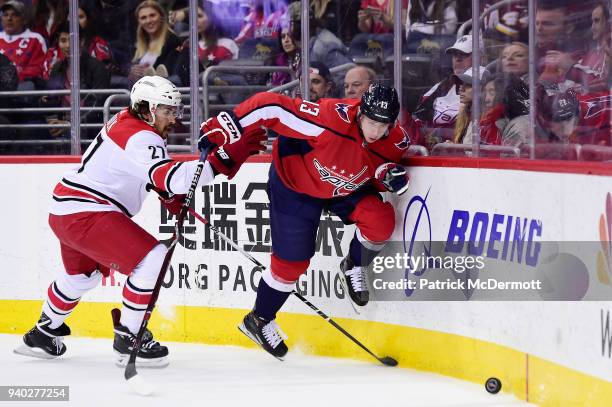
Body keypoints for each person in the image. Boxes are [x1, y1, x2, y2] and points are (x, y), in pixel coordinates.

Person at [15, 76, 266, 364]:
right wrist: (226, 156)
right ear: (145, 108)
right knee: (153, 258)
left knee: (81, 276)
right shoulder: (141, 136)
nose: (173, 118)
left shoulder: (132, 124)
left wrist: (169, 195)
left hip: (65, 211)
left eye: (175, 110)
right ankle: (129, 337)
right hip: (86, 211)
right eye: (166, 110)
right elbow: (174, 179)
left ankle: (43, 333)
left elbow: (145, 175)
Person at [203, 84, 410, 359]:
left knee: (380, 221)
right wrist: (229, 124)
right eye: (371, 122)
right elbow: (272, 106)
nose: (375, 131)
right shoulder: (329, 119)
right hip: (295, 184)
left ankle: (353, 264)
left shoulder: (397, 142)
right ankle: (259, 319)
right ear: (359, 113)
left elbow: (372, 167)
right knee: (291, 265)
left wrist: (386, 176)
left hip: (344, 187)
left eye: (382, 126)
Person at [413, 34, 485, 130]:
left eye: (464, 54)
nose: (457, 59)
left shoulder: (487, 87)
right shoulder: (443, 86)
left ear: (480, 58)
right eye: (455, 54)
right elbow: (418, 118)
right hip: (432, 142)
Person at [128, 0, 182, 85]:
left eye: (152, 15)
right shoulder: (137, 46)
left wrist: (148, 73)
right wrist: (131, 73)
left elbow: (171, 73)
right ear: (139, 22)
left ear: (161, 17)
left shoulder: (172, 41)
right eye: (143, 18)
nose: (148, 21)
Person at [0, 1, 47, 89]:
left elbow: (39, 68)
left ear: (24, 19)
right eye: (5, 15)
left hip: (23, 88)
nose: (9, 18)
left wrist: (12, 77)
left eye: (14, 15)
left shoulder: (36, 39)